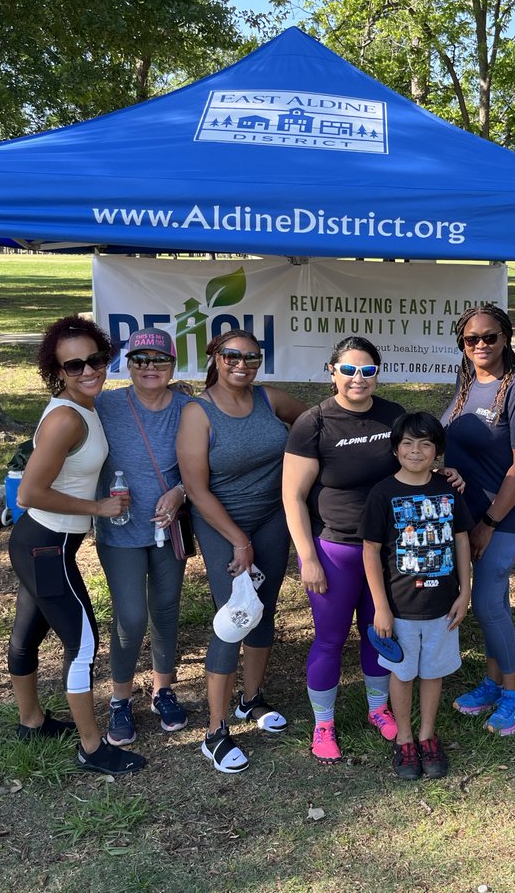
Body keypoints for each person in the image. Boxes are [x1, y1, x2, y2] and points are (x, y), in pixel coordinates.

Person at [7, 316, 145, 776]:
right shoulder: (67, 418)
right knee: (82, 643)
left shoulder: (83, 405)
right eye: (74, 365)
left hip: (41, 544)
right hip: (46, 545)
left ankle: (31, 722)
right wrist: (97, 508)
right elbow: (28, 493)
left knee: (29, 633)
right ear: (57, 371)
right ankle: (92, 747)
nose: (89, 370)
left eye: (96, 359)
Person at [177, 330, 306, 773]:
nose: (242, 364)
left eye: (252, 357)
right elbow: (195, 488)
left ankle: (250, 700)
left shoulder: (270, 400)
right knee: (233, 620)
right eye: (232, 355)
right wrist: (238, 539)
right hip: (221, 524)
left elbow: (312, 425)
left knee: (264, 610)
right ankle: (214, 732)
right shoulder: (199, 412)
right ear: (215, 356)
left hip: (272, 519)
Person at [282, 336, 406, 764]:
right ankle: (323, 724)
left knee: (379, 632)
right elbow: (292, 496)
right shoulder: (314, 422)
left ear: (378, 374)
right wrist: (308, 558)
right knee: (330, 640)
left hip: (385, 550)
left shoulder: (393, 415)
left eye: (368, 370)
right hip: (333, 549)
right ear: (331, 371)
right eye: (349, 370)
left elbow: (414, 466)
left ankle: (377, 709)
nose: (358, 378)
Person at [443, 304, 515, 736]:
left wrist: (488, 521)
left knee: (486, 601)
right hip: (465, 514)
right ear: (462, 345)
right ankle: (493, 679)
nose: (481, 345)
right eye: (472, 339)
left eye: (489, 337)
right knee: (492, 604)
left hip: (500, 515)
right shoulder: (467, 384)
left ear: (506, 338)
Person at [361, 412, 474, 780]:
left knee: (434, 671)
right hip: (399, 607)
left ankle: (427, 734)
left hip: (443, 605)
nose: (416, 450)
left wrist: (465, 590)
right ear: (395, 450)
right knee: (403, 673)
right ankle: (404, 738)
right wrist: (380, 606)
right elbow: (370, 551)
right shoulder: (382, 493)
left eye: (425, 443)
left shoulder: (447, 489)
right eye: (407, 443)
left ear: (437, 451)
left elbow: (460, 539)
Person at [93, 328, 191, 746]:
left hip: (169, 528)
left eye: (159, 360)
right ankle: (119, 699)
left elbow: (208, 461)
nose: (150, 368)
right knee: (131, 616)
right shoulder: (103, 404)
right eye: (140, 360)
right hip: (119, 528)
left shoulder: (189, 408)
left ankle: (162, 690)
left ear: (173, 364)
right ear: (127, 365)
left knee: (165, 609)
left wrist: (181, 492)